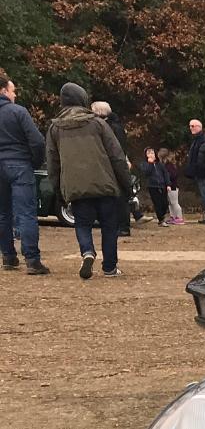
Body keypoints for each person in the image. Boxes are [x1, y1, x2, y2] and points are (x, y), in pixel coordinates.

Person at [46, 82, 133, 279]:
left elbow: (53, 162)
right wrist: (126, 184)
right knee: (109, 226)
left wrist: (59, 190)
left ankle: (87, 252)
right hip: (104, 183)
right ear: (82, 99)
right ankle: (110, 267)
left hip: (76, 186)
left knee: (82, 224)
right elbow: (116, 155)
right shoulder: (98, 123)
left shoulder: (55, 128)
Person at [0, 69, 48, 274]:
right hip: (19, 164)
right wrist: (34, 162)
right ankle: (32, 259)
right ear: (3, 91)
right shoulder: (18, 111)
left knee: (2, 214)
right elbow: (37, 141)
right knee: (26, 213)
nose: (15, 94)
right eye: (13, 90)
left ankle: (8, 256)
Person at [91, 100, 139, 233]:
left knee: (119, 197)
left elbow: (117, 149)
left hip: (113, 164)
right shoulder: (115, 126)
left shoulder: (110, 127)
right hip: (115, 163)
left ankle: (123, 226)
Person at [183, 117, 205, 225]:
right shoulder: (197, 140)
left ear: (199, 127)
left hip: (204, 173)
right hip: (200, 172)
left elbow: (202, 158)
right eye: (190, 126)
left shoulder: (202, 140)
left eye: (192, 126)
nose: (190, 128)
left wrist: (199, 169)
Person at [140, 147, 172, 226]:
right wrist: (150, 164)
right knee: (157, 203)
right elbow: (147, 172)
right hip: (152, 186)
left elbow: (166, 174)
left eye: (152, 153)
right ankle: (161, 220)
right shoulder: (144, 164)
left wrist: (168, 184)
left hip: (162, 185)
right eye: (148, 153)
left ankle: (163, 215)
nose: (151, 155)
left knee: (165, 203)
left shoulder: (160, 164)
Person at [160, 148, 184, 223]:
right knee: (170, 203)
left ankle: (179, 217)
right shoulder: (167, 165)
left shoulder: (169, 165)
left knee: (174, 203)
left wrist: (167, 179)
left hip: (173, 187)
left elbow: (173, 175)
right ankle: (173, 216)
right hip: (169, 187)